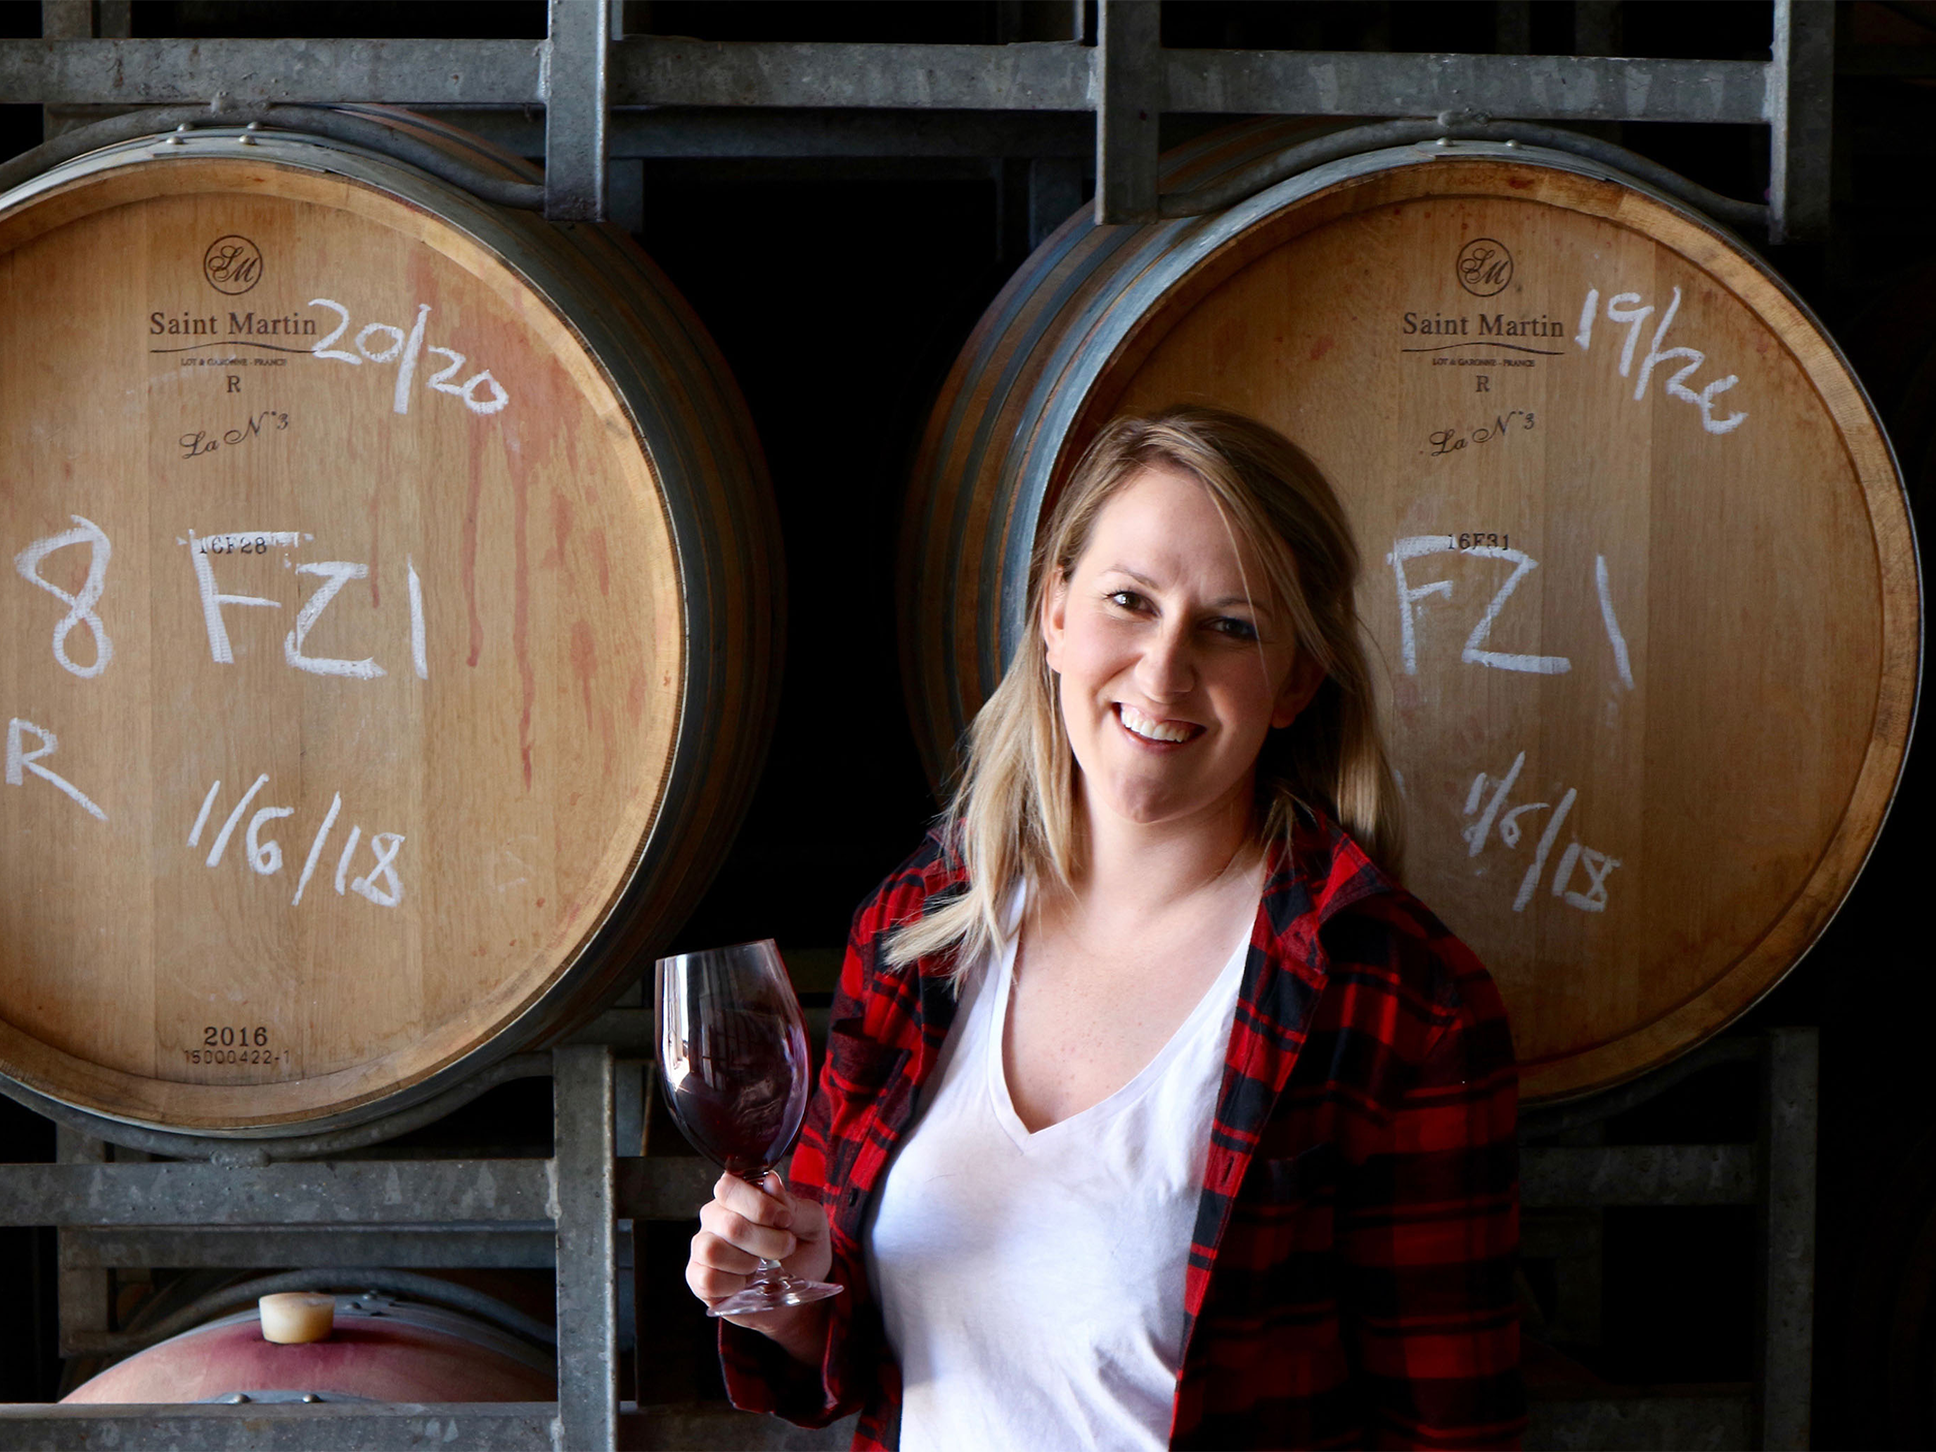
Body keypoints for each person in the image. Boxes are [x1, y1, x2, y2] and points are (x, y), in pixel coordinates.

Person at [685, 407, 1524, 1451]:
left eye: (1233, 627)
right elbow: (856, 1360)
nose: (1164, 673)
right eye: (1130, 601)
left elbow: (1448, 1432)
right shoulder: (924, 929)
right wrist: (781, 1300)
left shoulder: (1395, 994)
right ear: (1055, 614)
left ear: (1299, 681)